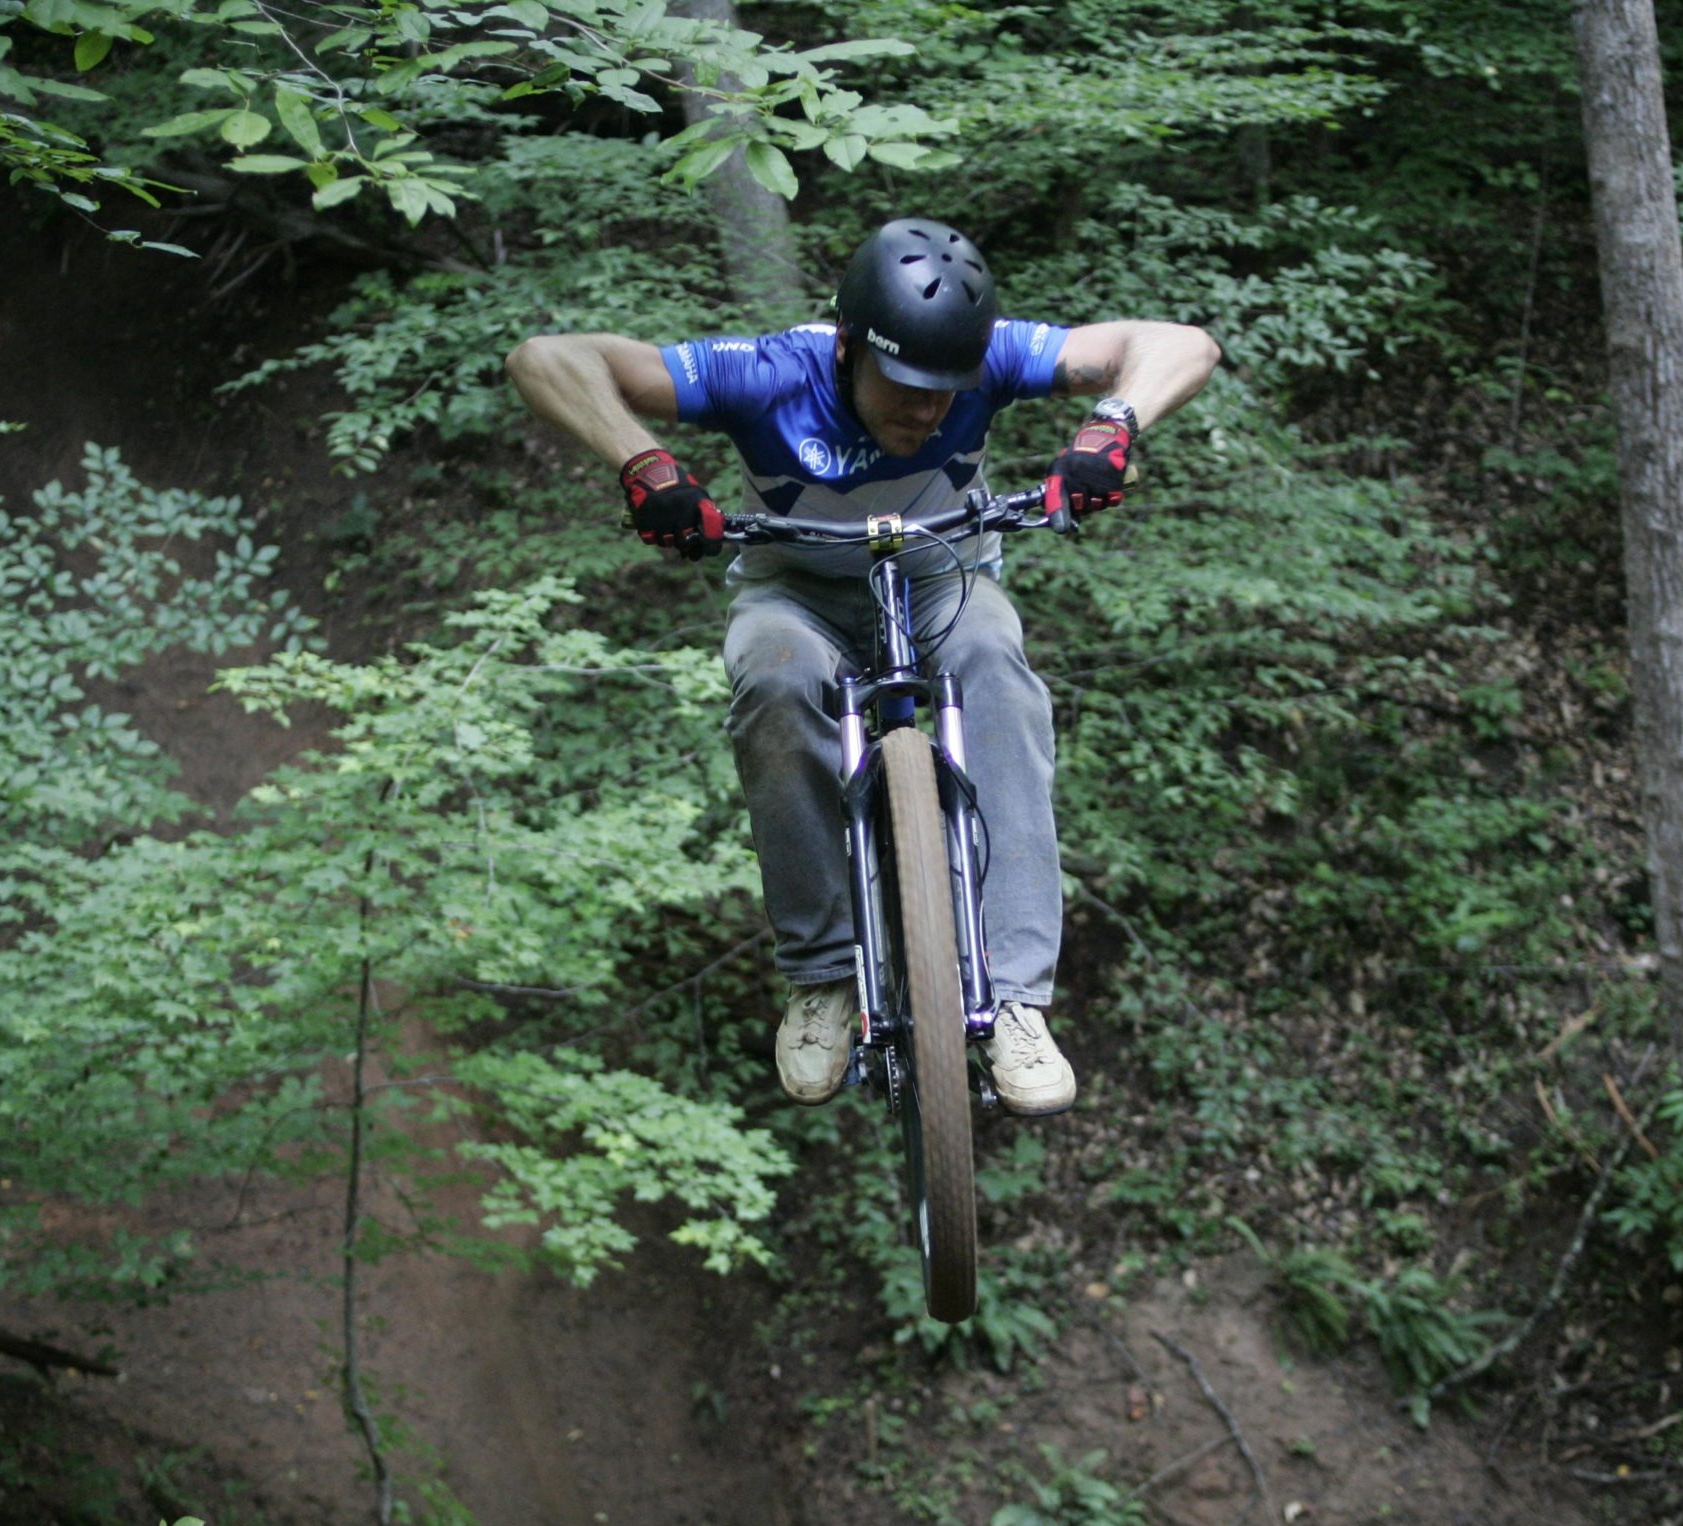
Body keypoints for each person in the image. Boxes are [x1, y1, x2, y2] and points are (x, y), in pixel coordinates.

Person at [507, 217, 1219, 1115]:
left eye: (946, 389)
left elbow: (1180, 345)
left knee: (997, 664)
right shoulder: (768, 373)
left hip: (940, 577)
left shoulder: (992, 357)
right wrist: (644, 464)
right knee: (774, 676)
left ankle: (1015, 1002)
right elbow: (547, 358)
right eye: (907, 385)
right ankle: (824, 978)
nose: (928, 410)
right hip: (795, 588)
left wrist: (1110, 425)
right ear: (848, 346)